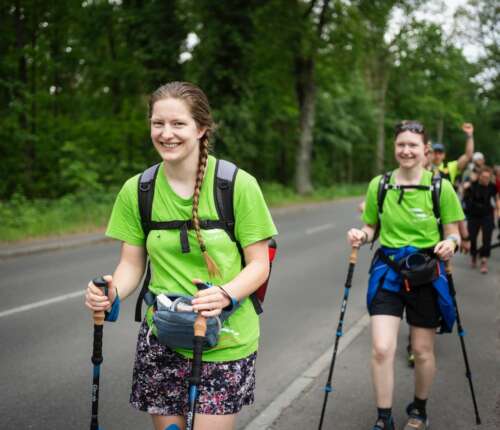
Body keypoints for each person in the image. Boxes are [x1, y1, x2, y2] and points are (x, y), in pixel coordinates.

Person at [84, 81, 277, 430]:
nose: (166, 133)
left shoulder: (236, 185)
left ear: (201, 128)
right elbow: (131, 263)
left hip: (225, 339)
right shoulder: (138, 190)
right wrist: (112, 292)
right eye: (158, 123)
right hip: (164, 337)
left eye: (178, 124)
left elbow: (259, 264)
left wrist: (224, 293)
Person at [347, 120, 464, 430]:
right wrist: (362, 233)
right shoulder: (380, 185)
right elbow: (372, 226)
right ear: (394, 148)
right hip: (388, 271)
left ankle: (419, 407)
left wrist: (449, 243)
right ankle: (383, 416)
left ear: (425, 150)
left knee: (423, 350)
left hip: (427, 271)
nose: (407, 150)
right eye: (401, 145)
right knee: (382, 347)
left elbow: (454, 234)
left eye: (413, 145)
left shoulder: (441, 187)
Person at [463, 166, 499, 273]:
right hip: (473, 216)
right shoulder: (472, 186)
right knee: (472, 238)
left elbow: (496, 199)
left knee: (487, 239)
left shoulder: (492, 187)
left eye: (488, 177)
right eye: (484, 177)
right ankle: (474, 256)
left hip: (487, 215)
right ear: (479, 176)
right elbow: (464, 198)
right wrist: (465, 188)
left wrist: (498, 213)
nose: (486, 179)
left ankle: (484, 261)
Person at [430, 123, 474, 187]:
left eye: (440, 153)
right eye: (435, 152)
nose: (437, 155)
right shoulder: (425, 167)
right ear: (430, 154)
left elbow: (468, 156)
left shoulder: (450, 167)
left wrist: (470, 136)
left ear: (444, 155)